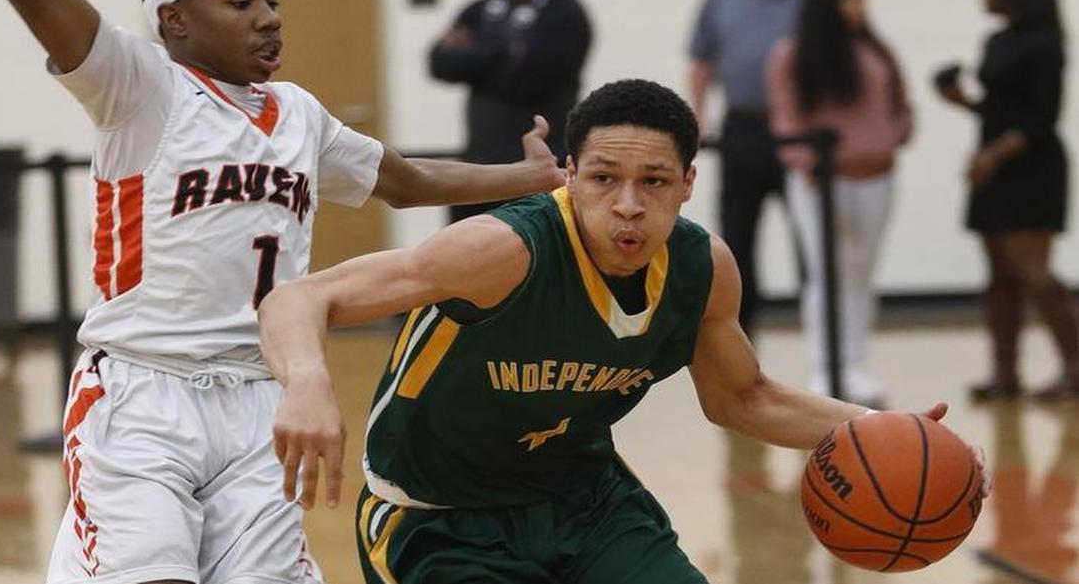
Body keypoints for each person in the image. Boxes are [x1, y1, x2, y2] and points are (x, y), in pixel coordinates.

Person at [0, 0, 566, 582]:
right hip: (142, 392)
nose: (270, 17)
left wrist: (531, 177)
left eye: (273, 0)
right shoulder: (141, 86)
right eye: (242, 1)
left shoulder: (300, 115)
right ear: (175, 19)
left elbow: (409, 181)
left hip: (260, 398)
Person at [258, 79, 975, 583]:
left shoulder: (701, 268)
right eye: (603, 179)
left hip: (587, 502)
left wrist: (881, 426)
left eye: (655, 182)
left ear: (689, 181)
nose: (628, 206)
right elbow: (300, 298)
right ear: (568, 175)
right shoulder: (503, 252)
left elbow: (743, 397)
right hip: (442, 517)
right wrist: (311, 382)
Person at [936, 0, 1079, 401]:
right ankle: (1005, 373)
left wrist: (993, 155)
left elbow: (1041, 118)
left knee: (1033, 272)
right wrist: (962, 101)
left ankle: (1075, 366)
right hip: (994, 166)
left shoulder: (1045, 44)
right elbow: (1001, 110)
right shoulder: (997, 40)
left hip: (1031, 168)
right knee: (999, 274)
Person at [766, 0, 912, 407]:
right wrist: (808, 163)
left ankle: (856, 364)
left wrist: (895, 135)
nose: (857, 6)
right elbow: (787, 119)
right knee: (826, 273)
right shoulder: (793, 55)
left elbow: (898, 105)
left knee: (861, 272)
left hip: (877, 177)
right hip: (822, 181)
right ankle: (825, 365)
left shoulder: (875, 50)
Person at [688, 0, 814, 339]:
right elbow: (702, 60)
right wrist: (698, 116)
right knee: (737, 236)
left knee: (812, 239)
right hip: (742, 127)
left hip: (803, 131)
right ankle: (739, 340)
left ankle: (823, 345)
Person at [430, 0, 591, 223]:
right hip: (479, 166)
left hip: (540, 172)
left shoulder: (568, 14)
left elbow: (528, 79)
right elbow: (440, 62)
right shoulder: (481, 8)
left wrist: (475, 57)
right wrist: (506, 52)